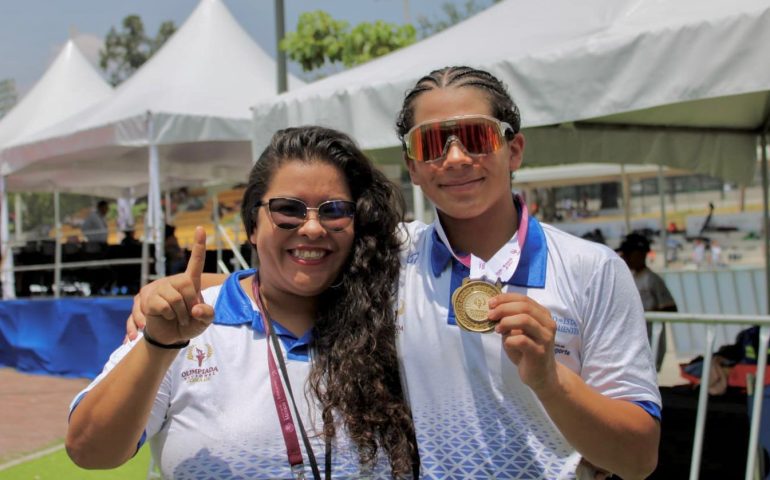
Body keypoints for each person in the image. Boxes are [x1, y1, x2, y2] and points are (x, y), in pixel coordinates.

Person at [127, 66, 661, 479]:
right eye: (432, 142)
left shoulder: (593, 270)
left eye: (475, 137)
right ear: (412, 166)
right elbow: (291, 266)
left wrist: (550, 381)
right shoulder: (389, 256)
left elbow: (638, 459)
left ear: (513, 148)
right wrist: (169, 294)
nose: (455, 158)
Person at [67, 127, 417, 479]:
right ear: (252, 225)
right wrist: (158, 346)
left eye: (334, 210)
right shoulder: (186, 323)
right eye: (288, 209)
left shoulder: (392, 314)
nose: (313, 228)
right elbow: (89, 450)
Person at [618, 232, 678, 371]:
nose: (624, 258)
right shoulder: (629, 277)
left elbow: (671, 308)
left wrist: (644, 314)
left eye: (628, 254)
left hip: (650, 339)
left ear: (639, 254)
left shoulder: (652, 279)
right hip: (632, 341)